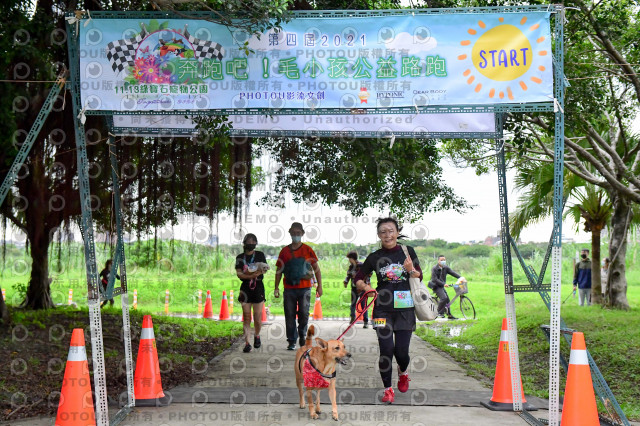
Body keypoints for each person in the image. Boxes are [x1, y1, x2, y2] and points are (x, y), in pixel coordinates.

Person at [356, 217, 422, 404]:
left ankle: (403, 371)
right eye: (383, 232)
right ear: (378, 235)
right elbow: (358, 278)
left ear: (397, 232)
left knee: (401, 352)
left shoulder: (407, 251)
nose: (387, 235)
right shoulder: (374, 257)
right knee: (385, 350)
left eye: (391, 231)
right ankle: (387, 389)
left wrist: (411, 269)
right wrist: (367, 287)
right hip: (381, 310)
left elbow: (419, 276)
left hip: (405, 309)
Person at [274, 222, 322, 351]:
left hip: (305, 288)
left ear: (302, 233)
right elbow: (279, 271)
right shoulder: (284, 251)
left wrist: (319, 286)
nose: (296, 235)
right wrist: (276, 287)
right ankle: (291, 340)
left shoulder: (308, 250)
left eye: (298, 233)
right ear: (290, 233)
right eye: (293, 233)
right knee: (289, 314)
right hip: (289, 289)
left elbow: (316, 269)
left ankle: (302, 335)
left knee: (304, 314)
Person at [235, 233, 268, 353]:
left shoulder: (260, 255)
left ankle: (257, 335)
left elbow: (264, 269)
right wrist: (249, 276)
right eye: (249, 242)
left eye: (253, 242)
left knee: (257, 318)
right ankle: (247, 343)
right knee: (247, 317)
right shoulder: (240, 257)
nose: (251, 244)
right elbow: (239, 274)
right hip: (245, 289)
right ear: (244, 243)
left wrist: (255, 274)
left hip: (258, 288)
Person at [428, 255, 463, 319]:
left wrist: (461, 278)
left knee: (447, 300)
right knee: (444, 298)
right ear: (438, 261)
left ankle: (449, 315)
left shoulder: (445, 268)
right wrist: (443, 284)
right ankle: (438, 312)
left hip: (441, 286)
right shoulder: (434, 268)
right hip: (436, 286)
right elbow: (434, 279)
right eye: (441, 260)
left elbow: (453, 273)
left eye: (444, 260)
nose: (443, 261)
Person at [343, 251, 371, 328]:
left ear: (353, 258)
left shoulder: (362, 265)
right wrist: (346, 282)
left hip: (362, 288)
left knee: (363, 305)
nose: (349, 260)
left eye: (349, 259)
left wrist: (366, 283)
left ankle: (365, 322)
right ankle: (352, 318)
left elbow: (369, 273)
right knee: (353, 304)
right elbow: (348, 275)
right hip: (354, 288)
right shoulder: (351, 267)